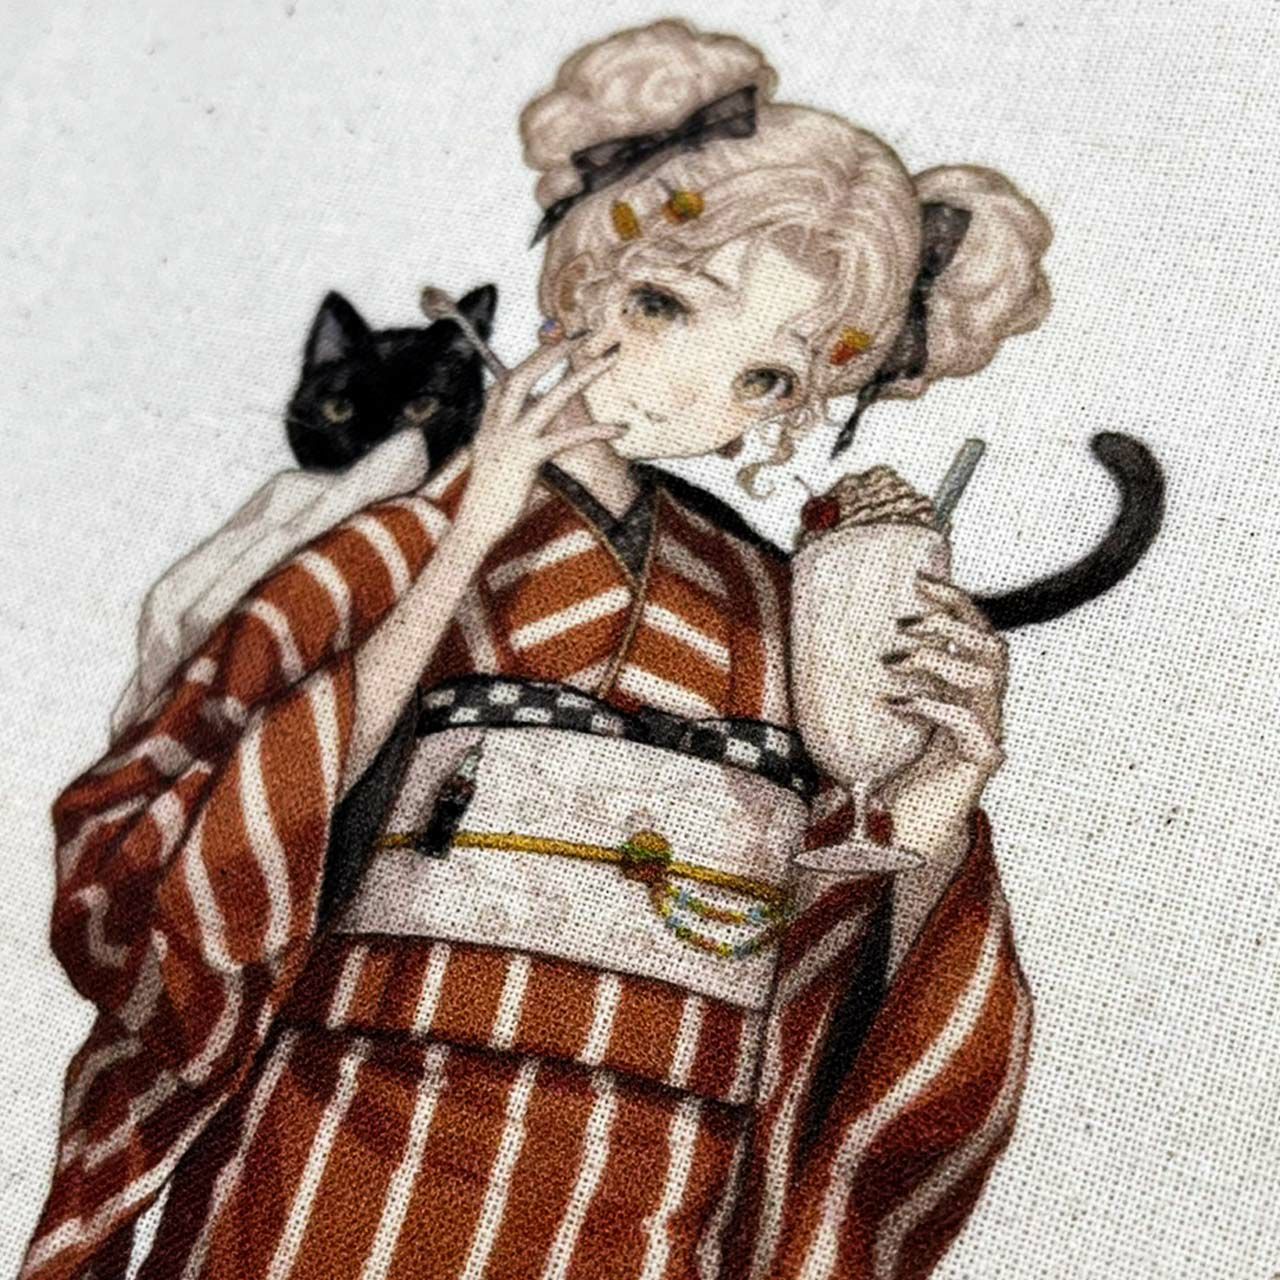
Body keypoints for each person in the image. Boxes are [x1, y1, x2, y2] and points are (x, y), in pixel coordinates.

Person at [22, 19, 1045, 1280]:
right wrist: (463, 537)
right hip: (349, 1125)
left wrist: (934, 800)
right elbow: (149, 853)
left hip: (655, 1167)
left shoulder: (779, 608)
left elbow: (833, 973)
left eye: (765, 378)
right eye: (663, 304)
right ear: (581, 272)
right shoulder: (396, 537)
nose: (685, 387)